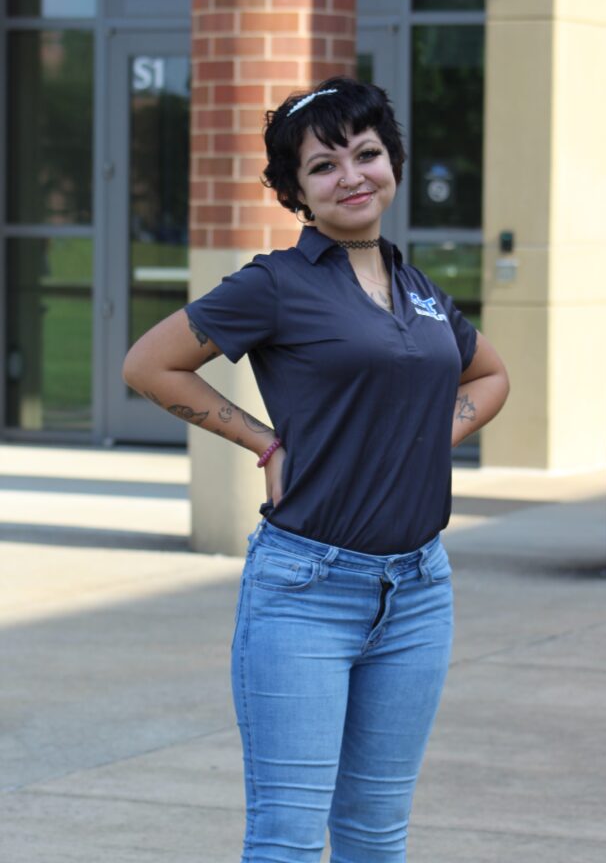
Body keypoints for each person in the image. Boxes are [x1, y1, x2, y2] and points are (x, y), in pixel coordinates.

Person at [122, 76, 509, 862]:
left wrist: (427, 435)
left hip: (418, 591)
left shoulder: (419, 292)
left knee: (375, 834)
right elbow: (150, 365)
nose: (351, 176)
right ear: (295, 192)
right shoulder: (275, 284)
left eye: (366, 154)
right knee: (289, 840)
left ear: (391, 162)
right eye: (323, 166)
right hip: (307, 590)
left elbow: (490, 375)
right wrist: (265, 444)